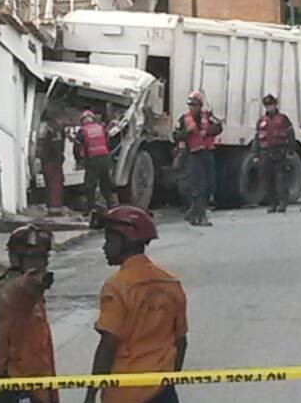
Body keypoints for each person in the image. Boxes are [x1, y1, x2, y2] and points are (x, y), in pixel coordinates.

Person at [84, 206, 188, 403]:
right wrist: (170, 382)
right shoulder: (171, 283)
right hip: (163, 392)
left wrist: (91, 393)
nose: (104, 247)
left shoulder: (116, 287)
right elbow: (181, 341)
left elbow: (108, 344)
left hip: (125, 394)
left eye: (109, 240)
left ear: (124, 240)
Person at [0, 224, 58, 403]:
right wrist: (40, 279)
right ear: (15, 259)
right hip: (21, 387)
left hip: (37, 385)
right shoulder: (15, 290)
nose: (41, 264)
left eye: (43, 258)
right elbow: (29, 284)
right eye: (34, 259)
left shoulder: (30, 294)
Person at [173, 92, 221, 226]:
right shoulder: (183, 119)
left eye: (194, 105)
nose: (191, 107)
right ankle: (199, 216)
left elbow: (218, 128)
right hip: (192, 156)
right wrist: (187, 131)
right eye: (190, 105)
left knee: (208, 186)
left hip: (207, 155)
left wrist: (208, 131)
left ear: (200, 106)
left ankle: (195, 214)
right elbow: (176, 136)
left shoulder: (208, 117)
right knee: (196, 188)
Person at [252, 94, 296, 213]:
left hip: (280, 152)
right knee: (267, 179)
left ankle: (282, 203)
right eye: (267, 105)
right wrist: (255, 154)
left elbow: (291, 135)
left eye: (271, 104)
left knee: (281, 179)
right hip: (265, 152)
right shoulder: (261, 121)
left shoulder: (283, 119)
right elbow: (257, 138)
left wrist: (290, 150)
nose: (269, 107)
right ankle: (272, 203)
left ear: (275, 105)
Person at [75, 109, 114, 215]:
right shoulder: (101, 128)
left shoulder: (83, 131)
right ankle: (111, 206)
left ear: (83, 120)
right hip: (104, 159)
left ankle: (90, 208)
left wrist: (79, 160)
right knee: (105, 183)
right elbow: (108, 143)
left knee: (89, 185)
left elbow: (77, 147)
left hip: (92, 160)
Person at [40, 114, 66, 216]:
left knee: (49, 184)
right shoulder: (55, 129)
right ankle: (55, 209)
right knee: (56, 184)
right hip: (53, 160)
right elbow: (57, 145)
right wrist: (60, 158)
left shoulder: (45, 128)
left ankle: (50, 207)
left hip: (45, 160)